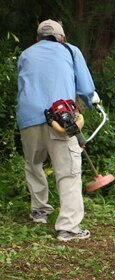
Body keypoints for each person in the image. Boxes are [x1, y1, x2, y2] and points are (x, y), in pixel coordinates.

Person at [17, 19, 99, 241]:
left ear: (38, 38)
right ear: (62, 38)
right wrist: (92, 101)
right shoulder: (70, 50)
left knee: (33, 164)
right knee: (68, 171)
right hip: (60, 117)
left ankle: (40, 211)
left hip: (28, 117)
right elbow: (85, 86)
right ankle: (68, 228)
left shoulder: (26, 54)